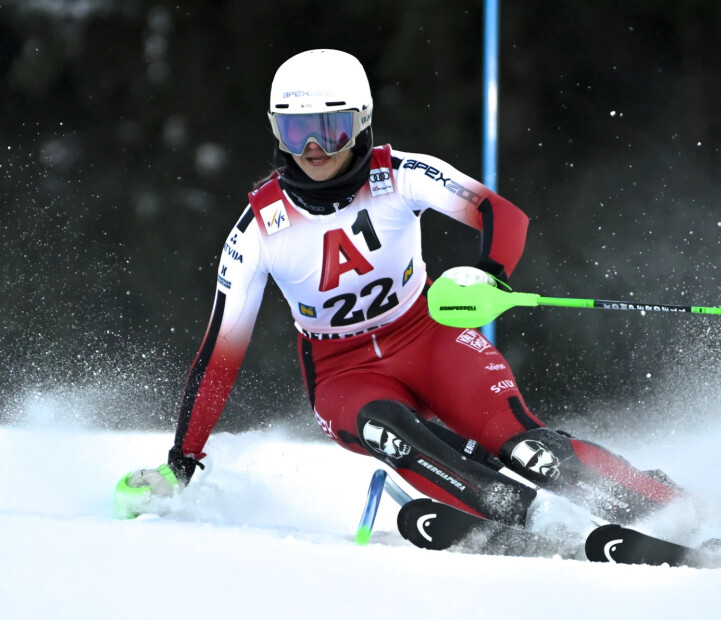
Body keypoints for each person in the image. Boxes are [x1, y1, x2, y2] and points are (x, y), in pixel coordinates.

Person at [117, 49, 681, 533]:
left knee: (527, 445)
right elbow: (218, 357)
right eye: (296, 130)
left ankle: (665, 509)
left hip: (428, 336)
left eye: (332, 128)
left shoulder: (400, 174)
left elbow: (501, 214)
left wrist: (489, 272)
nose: (314, 147)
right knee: (390, 429)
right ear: (276, 133)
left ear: (361, 122)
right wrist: (183, 460)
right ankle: (528, 519)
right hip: (343, 371)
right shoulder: (257, 229)